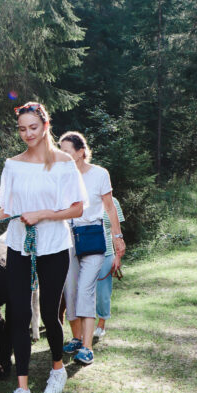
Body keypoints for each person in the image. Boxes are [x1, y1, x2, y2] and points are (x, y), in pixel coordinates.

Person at [0, 102, 86, 393]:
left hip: (54, 247)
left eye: (33, 127)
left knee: (47, 312)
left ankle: (57, 368)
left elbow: (77, 208)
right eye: (22, 129)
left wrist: (42, 214)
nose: (27, 134)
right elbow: (7, 210)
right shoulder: (13, 165)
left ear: (45, 126)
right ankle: (22, 388)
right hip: (19, 247)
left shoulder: (64, 164)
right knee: (19, 314)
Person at [58, 132, 126, 365]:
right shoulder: (59, 176)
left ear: (80, 152)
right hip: (66, 238)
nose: (62, 156)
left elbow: (109, 208)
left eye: (66, 151)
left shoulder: (99, 174)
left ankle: (87, 348)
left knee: (86, 290)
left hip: (92, 237)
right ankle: (77, 338)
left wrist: (118, 238)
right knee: (71, 291)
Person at [95, 196, 125, 338]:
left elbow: (115, 230)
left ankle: (101, 323)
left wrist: (117, 256)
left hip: (106, 252)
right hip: (83, 253)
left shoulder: (113, 202)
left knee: (103, 293)